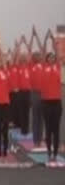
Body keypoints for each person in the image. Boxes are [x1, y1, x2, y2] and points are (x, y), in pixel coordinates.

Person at [40, 30, 62, 162]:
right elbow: (43, 52)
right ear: (47, 59)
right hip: (46, 102)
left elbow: (58, 54)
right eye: (50, 58)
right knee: (48, 129)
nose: (52, 59)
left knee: (56, 129)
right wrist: (46, 39)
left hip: (56, 102)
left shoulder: (57, 68)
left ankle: (55, 153)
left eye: (53, 58)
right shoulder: (44, 67)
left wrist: (54, 40)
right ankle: (49, 152)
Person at [29, 27, 45, 146]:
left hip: (43, 94)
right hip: (34, 94)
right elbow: (30, 50)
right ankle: (35, 140)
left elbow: (43, 49)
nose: (38, 56)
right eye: (36, 55)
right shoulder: (31, 66)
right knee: (35, 118)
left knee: (41, 118)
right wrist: (32, 37)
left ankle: (40, 138)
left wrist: (39, 37)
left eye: (39, 55)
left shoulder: (43, 65)